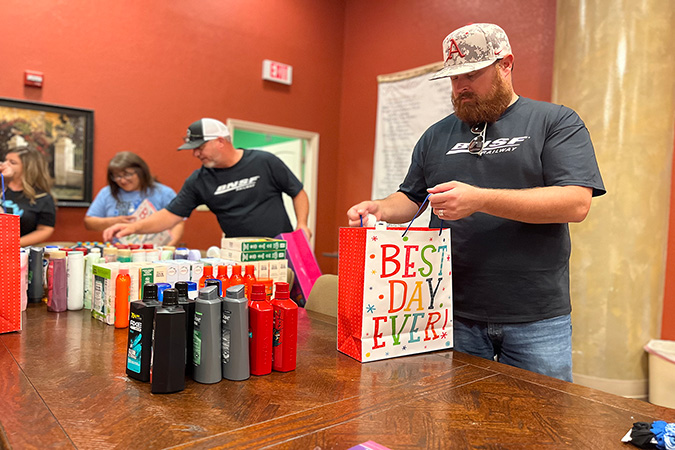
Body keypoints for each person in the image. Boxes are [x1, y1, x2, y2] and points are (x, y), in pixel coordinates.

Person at [347, 23, 605, 382]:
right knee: (458, 423)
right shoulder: (435, 135)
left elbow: (575, 203)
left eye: (471, 74)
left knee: (540, 426)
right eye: (453, 78)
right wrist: (380, 208)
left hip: (536, 317)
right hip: (449, 311)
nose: (460, 87)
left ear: (506, 64)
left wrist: (480, 199)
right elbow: (411, 197)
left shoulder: (555, 121)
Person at [103, 118, 311, 243]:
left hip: (279, 247)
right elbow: (170, 216)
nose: (195, 153)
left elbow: (297, 192)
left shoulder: (264, 162)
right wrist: (134, 227)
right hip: (238, 255)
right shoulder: (199, 180)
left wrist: (302, 224)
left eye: (200, 147)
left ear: (220, 141)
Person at [85, 151, 184, 246]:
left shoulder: (163, 193)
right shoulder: (107, 193)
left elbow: (178, 222)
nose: (123, 180)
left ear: (141, 172)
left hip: (154, 252)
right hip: (118, 252)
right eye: (117, 176)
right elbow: (89, 222)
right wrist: (114, 222)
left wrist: (169, 247)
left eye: (127, 175)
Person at [0, 146, 56, 247]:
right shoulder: (2, 187)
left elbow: (45, 229)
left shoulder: (43, 197)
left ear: (28, 168)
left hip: (20, 251)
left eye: (12, 162)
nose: (5, 165)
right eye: (5, 160)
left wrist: (12, 244)